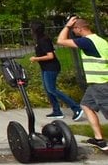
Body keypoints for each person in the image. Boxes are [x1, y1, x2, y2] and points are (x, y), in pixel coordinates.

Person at [56, 16, 108, 151]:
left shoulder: (87, 42)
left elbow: (60, 41)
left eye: (74, 30)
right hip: (96, 84)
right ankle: (99, 140)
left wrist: (67, 26)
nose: (74, 32)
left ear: (79, 28)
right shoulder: (101, 41)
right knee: (85, 105)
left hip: (100, 84)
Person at [29, 21, 83, 120]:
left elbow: (51, 56)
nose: (31, 31)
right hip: (45, 68)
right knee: (48, 90)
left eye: (31, 29)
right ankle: (56, 111)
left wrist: (36, 59)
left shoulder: (43, 40)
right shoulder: (40, 40)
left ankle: (76, 107)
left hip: (51, 67)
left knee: (52, 89)